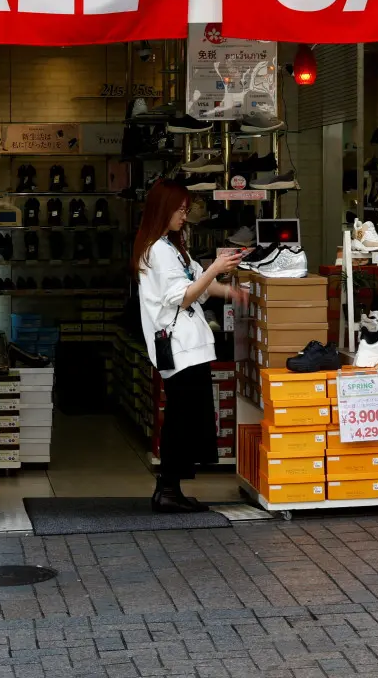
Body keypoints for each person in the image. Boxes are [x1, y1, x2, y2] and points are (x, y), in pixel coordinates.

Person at [132, 179, 247, 513]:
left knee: (187, 417)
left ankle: (172, 489)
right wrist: (215, 269)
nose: (184, 216)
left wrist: (234, 293)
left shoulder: (171, 248)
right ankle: (167, 490)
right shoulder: (156, 250)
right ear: (163, 209)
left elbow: (201, 284)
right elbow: (183, 297)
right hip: (178, 347)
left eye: (186, 210)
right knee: (182, 418)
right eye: (180, 210)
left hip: (190, 347)